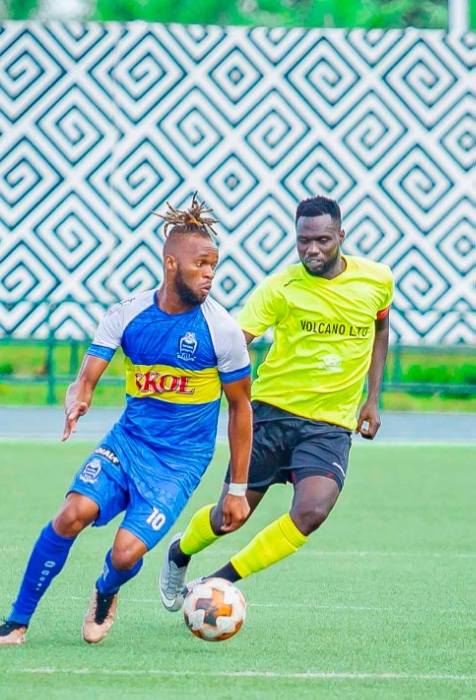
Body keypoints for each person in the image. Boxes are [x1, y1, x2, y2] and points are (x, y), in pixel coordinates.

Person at [0, 197, 253, 646]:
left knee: (125, 553)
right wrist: (78, 398)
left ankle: (106, 588)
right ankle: (17, 619)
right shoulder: (127, 314)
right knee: (71, 514)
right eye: (201, 265)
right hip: (127, 443)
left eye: (214, 265)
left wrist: (237, 489)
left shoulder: (223, 331)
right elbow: (86, 378)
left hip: (179, 463)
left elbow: (241, 408)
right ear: (171, 264)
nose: (210, 274)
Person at [160, 195, 394, 609]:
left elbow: (380, 330)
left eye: (322, 240)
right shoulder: (279, 288)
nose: (312, 250)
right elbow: (235, 344)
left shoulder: (377, 280)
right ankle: (180, 551)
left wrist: (372, 399)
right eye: (303, 241)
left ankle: (216, 582)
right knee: (229, 517)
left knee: (312, 512)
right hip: (270, 416)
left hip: (329, 426)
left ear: (341, 236)